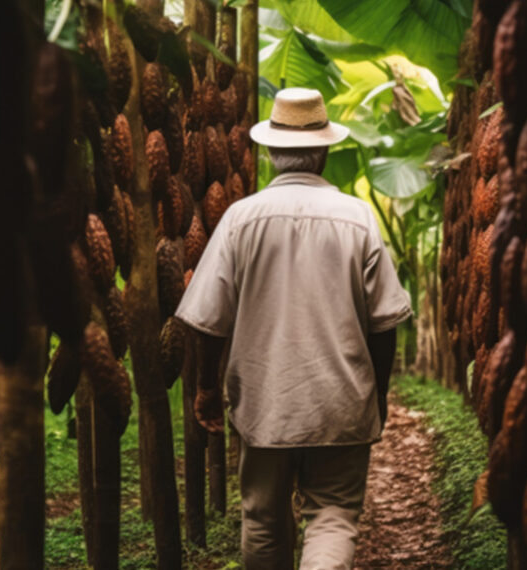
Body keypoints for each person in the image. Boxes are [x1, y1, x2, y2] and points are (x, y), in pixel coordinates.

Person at [174, 87, 412, 570]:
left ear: (272, 152)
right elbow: (385, 323)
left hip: (266, 402)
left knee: (262, 519)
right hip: (342, 402)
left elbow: (208, 320)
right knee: (333, 516)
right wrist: (378, 396)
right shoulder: (358, 218)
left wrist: (204, 388)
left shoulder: (240, 219)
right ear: (323, 151)